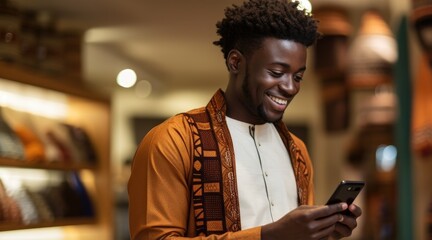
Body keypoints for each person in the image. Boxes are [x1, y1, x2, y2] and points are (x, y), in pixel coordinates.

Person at [127, 0, 362, 239]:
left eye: (298, 76)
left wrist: (324, 232)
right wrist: (269, 235)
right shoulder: (173, 141)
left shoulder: (297, 151)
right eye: (276, 73)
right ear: (235, 62)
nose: (291, 88)